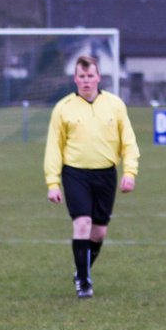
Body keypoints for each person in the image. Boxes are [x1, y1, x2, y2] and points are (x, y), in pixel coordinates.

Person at [43, 54, 139, 298]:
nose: (86, 80)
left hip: (106, 174)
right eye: (82, 76)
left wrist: (129, 172)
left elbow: (128, 141)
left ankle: (81, 270)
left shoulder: (115, 105)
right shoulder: (63, 108)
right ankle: (84, 282)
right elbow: (53, 147)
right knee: (82, 224)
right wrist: (52, 182)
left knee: (99, 232)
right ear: (75, 79)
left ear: (98, 77)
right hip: (75, 173)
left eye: (90, 76)